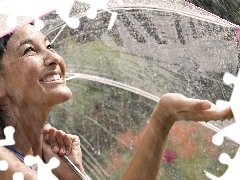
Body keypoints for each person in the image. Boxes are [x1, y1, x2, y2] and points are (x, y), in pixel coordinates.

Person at [0, 24, 233, 180]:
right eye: (29, 50)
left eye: (49, 45)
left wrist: (164, 116)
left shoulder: (43, 159)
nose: (53, 58)